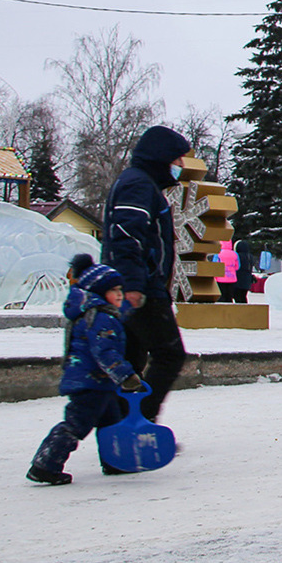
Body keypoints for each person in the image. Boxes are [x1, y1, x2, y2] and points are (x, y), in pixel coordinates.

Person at [103, 125, 190, 422]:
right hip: (140, 289)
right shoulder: (138, 185)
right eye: (177, 159)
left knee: (132, 360)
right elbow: (128, 234)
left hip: (137, 285)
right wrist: (133, 285)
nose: (180, 166)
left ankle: (121, 428)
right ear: (161, 156)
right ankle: (141, 421)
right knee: (169, 354)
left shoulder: (143, 185)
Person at [27, 263, 143, 485]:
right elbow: (105, 352)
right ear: (99, 294)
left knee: (112, 424)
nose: (120, 295)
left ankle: (115, 462)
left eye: (121, 290)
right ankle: (45, 465)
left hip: (99, 383)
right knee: (76, 425)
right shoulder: (101, 318)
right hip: (91, 383)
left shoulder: (101, 314)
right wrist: (125, 375)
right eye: (114, 291)